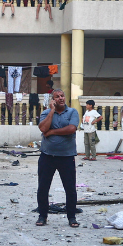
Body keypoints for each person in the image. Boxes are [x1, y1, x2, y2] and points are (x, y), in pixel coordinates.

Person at [35, 89, 80, 227]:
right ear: (53, 100)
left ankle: (71, 217)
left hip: (66, 157)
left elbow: (71, 129)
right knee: (43, 188)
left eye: (62, 96)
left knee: (70, 188)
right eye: (57, 97)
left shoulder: (72, 112)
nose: (61, 98)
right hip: (47, 156)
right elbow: (43, 128)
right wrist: (51, 111)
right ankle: (43, 216)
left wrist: (52, 132)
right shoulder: (46, 113)